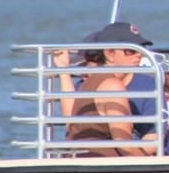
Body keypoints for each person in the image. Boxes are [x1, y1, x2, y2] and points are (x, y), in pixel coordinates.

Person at [65, 23, 155, 157]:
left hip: (85, 160)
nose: (138, 55)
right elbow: (125, 146)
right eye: (130, 50)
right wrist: (149, 162)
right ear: (109, 54)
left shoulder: (91, 81)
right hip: (100, 163)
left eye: (141, 49)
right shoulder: (112, 86)